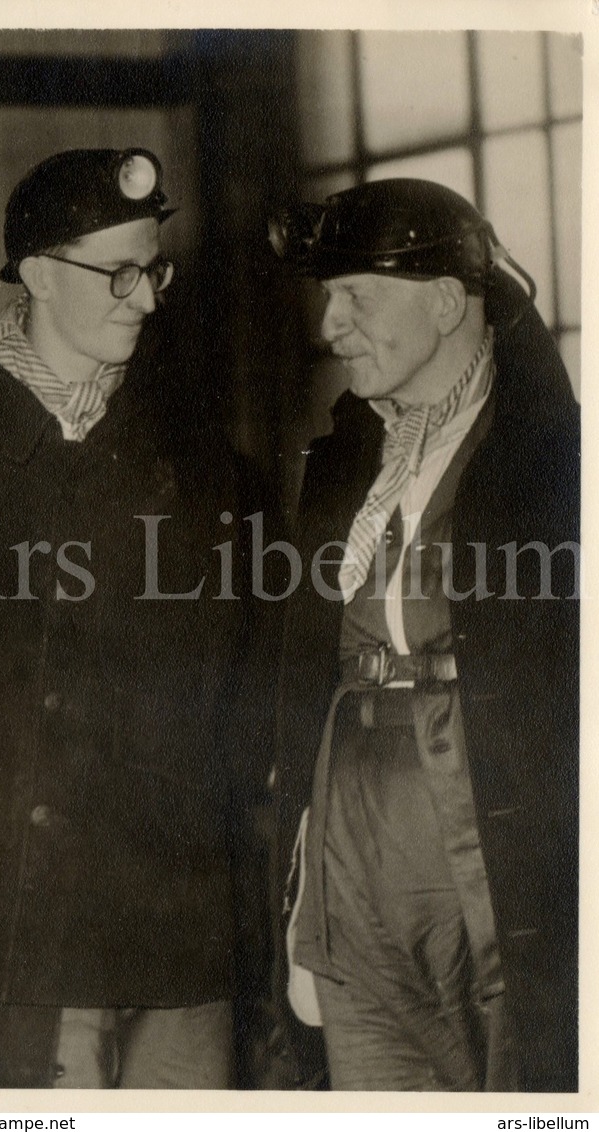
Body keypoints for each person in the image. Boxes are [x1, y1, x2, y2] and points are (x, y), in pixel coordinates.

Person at [0, 147, 266, 1089]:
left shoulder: (203, 469)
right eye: (117, 272)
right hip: (4, 950)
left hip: (177, 947)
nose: (146, 300)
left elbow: (236, 700)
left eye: (153, 270)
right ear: (35, 275)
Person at [269, 179, 580, 1092]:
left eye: (358, 294)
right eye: (329, 297)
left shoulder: (555, 460)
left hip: (492, 815)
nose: (331, 324)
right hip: (351, 830)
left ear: (448, 303)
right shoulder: (340, 464)